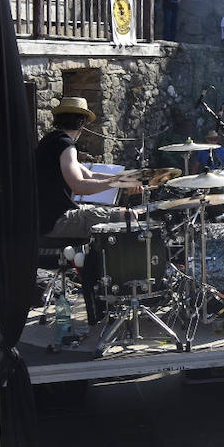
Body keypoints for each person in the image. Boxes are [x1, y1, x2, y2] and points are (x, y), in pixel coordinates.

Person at [36, 97, 144, 315]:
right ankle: (118, 293)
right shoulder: (66, 146)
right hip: (58, 220)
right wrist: (118, 182)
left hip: (46, 218)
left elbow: (90, 174)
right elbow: (79, 185)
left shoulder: (51, 141)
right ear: (83, 123)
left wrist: (126, 179)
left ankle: (98, 292)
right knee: (127, 217)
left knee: (112, 220)